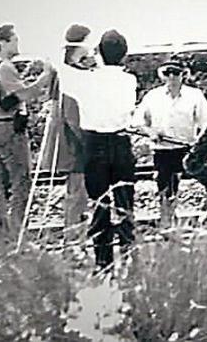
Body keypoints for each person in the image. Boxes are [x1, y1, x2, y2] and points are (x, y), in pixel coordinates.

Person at [0, 24, 53, 247]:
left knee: (0, 186)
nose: (18, 44)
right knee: (21, 183)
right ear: (3, 42)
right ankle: (20, 238)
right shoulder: (5, 68)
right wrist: (45, 77)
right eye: (14, 40)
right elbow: (26, 94)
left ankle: (2, 238)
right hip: (9, 128)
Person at [71, 29, 137, 269]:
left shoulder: (85, 79)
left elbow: (63, 72)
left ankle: (103, 263)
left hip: (94, 144)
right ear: (125, 55)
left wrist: (84, 60)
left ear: (99, 52)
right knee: (125, 203)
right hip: (120, 142)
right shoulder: (130, 80)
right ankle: (130, 258)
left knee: (99, 204)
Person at [133, 58, 207, 226]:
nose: (172, 77)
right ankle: (168, 227)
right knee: (166, 191)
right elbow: (137, 122)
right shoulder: (152, 96)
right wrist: (151, 132)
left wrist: (202, 147)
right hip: (163, 150)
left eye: (176, 73)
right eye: (167, 73)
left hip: (188, 150)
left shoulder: (195, 95)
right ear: (162, 75)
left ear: (184, 74)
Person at [43, 24, 96, 244]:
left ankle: (75, 237)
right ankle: (73, 240)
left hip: (71, 136)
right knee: (77, 193)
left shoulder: (66, 72)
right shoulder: (70, 77)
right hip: (74, 141)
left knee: (77, 192)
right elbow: (73, 115)